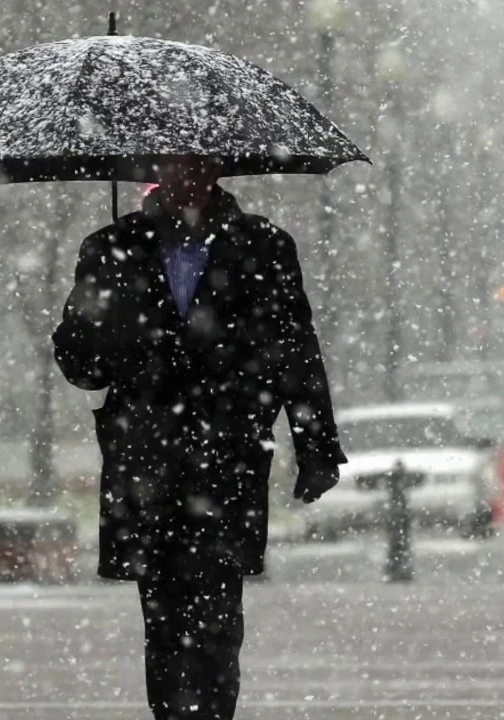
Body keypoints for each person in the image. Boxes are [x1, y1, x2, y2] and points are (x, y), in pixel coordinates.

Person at [52, 157, 346, 719]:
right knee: (162, 622)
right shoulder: (110, 249)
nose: (184, 173)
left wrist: (316, 447)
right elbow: (82, 367)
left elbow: (296, 353)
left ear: (217, 167)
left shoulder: (264, 247)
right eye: (171, 162)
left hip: (228, 457)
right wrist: (98, 321)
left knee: (217, 621)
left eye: (195, 162)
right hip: (146, 464)